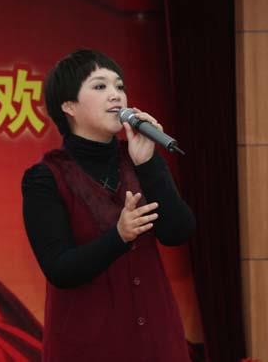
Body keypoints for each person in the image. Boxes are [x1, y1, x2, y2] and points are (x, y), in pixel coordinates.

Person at [21, 49, 196, 362]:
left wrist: (149, 163)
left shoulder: (138, 158)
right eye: (100, 86)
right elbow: (60, 269)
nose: (116, 95)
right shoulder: (45, 178)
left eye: (119, 86)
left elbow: (178, 231)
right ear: (68, 106)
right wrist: (119, 236)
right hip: (89, 347)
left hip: (157, 342)